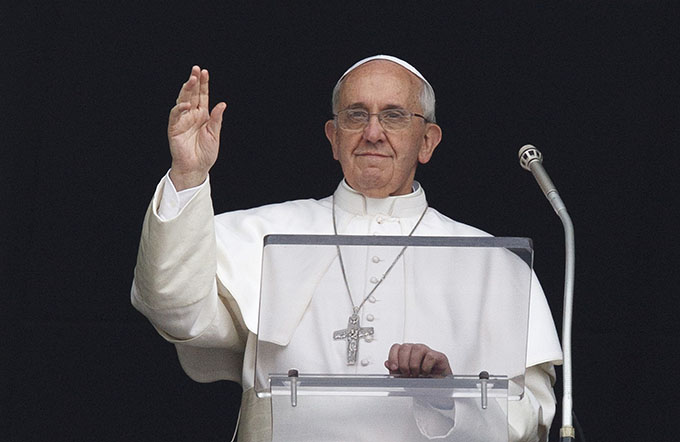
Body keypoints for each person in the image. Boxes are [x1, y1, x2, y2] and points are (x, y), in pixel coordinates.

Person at [132, 55, 562, 441]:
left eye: (393, 116)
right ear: (333, 137)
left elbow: (527, 417)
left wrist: (446, 397)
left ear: (427, 141)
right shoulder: (264, 232)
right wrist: (187, 175)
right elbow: (172, 306)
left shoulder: (491, 264)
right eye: (356, 116)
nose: (372, 132)